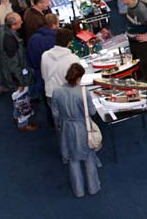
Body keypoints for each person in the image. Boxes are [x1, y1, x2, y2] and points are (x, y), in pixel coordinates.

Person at [51, 63, 102, 197]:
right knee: (88, 157)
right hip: (82, 128)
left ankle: (78, 191)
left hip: (66, 128)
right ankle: (93, 188)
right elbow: (92, 112)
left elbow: (55, 113)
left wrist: (59, 124)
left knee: (73, 159)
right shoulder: (83, 92)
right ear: (79, 77)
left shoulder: (56, 92)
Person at [0, 12, 38, 131]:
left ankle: (16, 116)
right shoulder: (10, 41)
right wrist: (20, 81)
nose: (22, 22)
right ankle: (23, 124)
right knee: (22, 98)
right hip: (16, 76)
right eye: (20, 22)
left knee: (17, 97)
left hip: (10, 72)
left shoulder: (3, 32)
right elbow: (13, 64)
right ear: (13, 25)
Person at [26, 12, 58, 98]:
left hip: (37, 74)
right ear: (53, 25)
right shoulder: (55, 40)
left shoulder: (33, 38)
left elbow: (28, 57)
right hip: (52, 77)